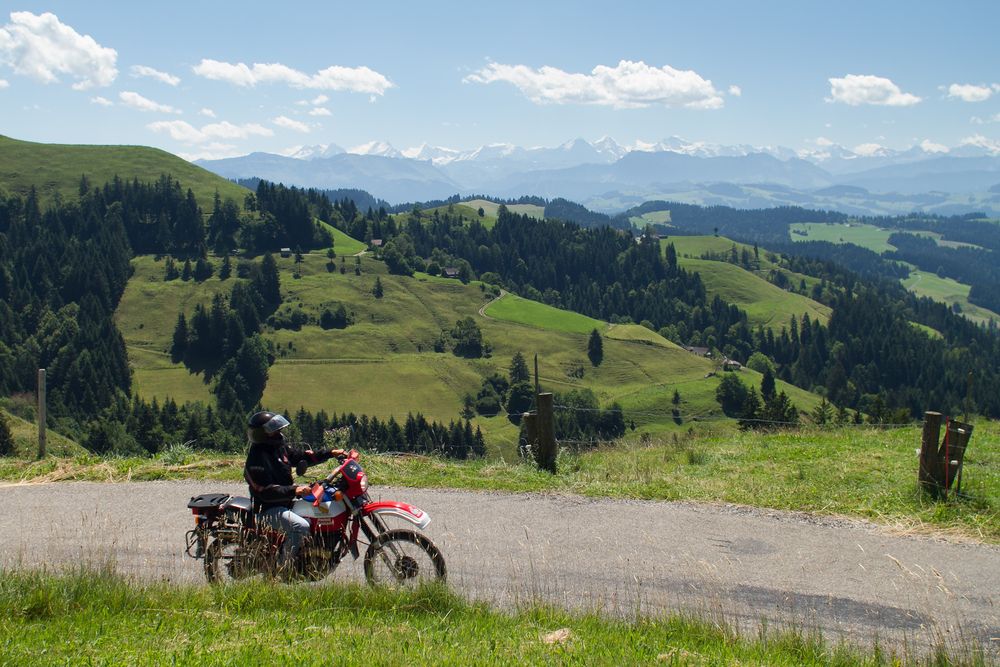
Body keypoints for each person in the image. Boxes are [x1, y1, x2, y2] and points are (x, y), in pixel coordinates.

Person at [243, 411, 341, 576]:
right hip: (267, 509)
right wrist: (294, 490)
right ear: (263, 434)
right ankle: (282, 569)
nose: (279, 433)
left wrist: (330, 453)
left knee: (316, 512)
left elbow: (301, 457)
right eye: (274, 430)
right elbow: (265, 492)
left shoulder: (278, 447)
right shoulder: (256, 460)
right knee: (300, 527)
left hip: (286, 502)